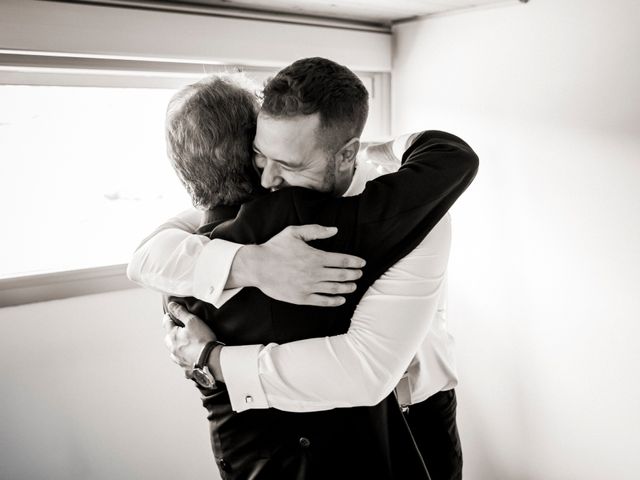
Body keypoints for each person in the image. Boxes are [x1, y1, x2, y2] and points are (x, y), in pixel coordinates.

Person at [129, 57, 478, 480]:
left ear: (346, 153)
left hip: (418, 405)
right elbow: (147, 256)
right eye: (261, 156)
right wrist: (250, 264)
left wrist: (214, 361)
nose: (270, 180)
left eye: (291, 165)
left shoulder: (412, 209)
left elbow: (364, 371)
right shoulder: (254, 208)